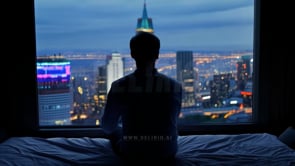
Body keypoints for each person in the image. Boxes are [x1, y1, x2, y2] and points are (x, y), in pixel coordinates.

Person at [101, 32, 182, 164]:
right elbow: (173, 119)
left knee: (115, 131)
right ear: (157, 55)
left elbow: (107, 127)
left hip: (133, 153)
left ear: (132, 54)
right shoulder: (175, 86)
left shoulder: (119, 86)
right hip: (167, 152)